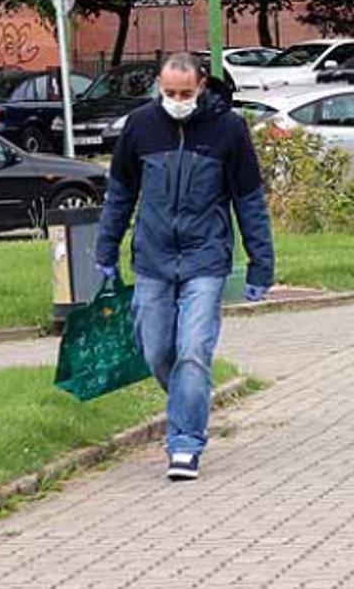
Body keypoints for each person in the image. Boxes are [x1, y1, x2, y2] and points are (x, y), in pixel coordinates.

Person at [96, 52, 275, 481]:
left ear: (201, 85)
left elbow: (249, 202)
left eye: (184, 92)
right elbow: (120, 193)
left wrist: (260, 265)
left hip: (205, 259)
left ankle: (185, 443)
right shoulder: (141, 126)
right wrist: (106, 250)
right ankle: (188, 400)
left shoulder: (228, 129)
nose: (176, 99)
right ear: (159, 87)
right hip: (153, 258)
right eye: (168, 92)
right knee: (157, 350)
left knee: (194, 351)